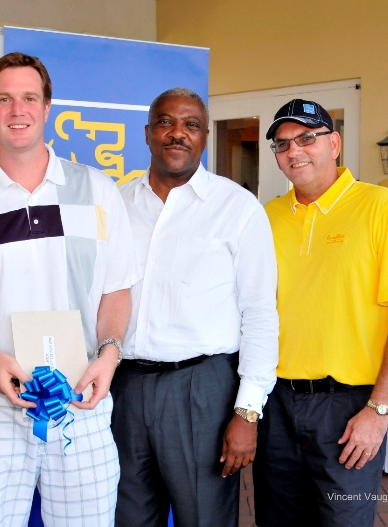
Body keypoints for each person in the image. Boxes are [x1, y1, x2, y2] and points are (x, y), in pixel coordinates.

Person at [0, 52, 138, 527]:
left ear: (48, 108)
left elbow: (117, 290)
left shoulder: (97, 191)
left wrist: (108, 355)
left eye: (29, 98)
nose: (17, 110)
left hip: (80, 398)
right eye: (4, 99)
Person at [254, 98, 388, 527]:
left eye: (306, 139)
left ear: (334, 144)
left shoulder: (380, 206)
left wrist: (379, 410)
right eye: (282, 144)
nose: (294, 151)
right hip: (274, 402)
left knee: (343, 520)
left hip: (347, 407)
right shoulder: (265, 217)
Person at [112, 88, 279, 527]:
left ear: (205, 137)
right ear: (147, 133)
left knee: (203, 518)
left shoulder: (237, 208)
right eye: (166, 122)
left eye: (191, 125)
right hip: (124, 386)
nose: (177, 134)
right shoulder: (116, 203)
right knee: (126, 516)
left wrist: (247, 412)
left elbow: (259, 313)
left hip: (200, 390)